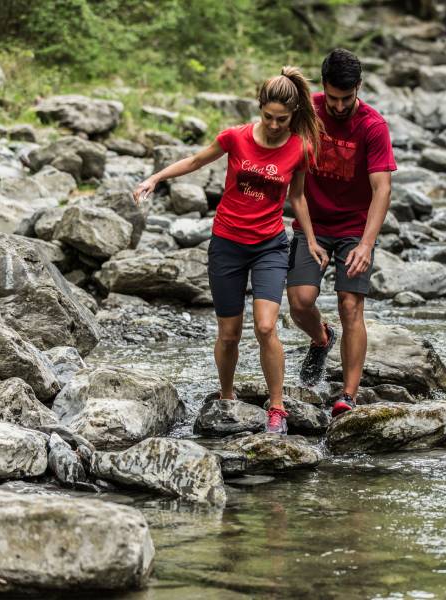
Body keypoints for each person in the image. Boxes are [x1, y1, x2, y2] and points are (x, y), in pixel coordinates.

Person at [133, 66, 327, 435]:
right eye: (268, 117)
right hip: (227, 244)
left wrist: (313, 241)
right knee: (229, 334)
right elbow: (194, 161)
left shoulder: (300, 147)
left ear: (294, 116)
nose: (273, 125)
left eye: (281, 119)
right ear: (259, 109)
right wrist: (156, 178)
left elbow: (298, 197)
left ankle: (277, 407)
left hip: (270, 245)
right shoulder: (234, 138)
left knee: (266, 327)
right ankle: (226, 396)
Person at [286, 48, 397, 417]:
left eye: (346, 98)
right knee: (300, 301)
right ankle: (322, 338)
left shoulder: (372, 126)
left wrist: (366, 244)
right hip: (312, 223)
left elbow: (382, 188)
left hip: (354, 228)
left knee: (351, 305)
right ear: (323, 87)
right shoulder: (309, 110)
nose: (337, 106)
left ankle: (347, 395)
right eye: (332, 97)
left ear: (359, 88)